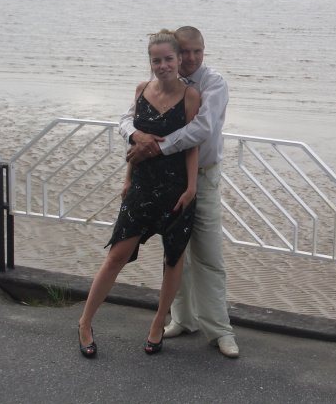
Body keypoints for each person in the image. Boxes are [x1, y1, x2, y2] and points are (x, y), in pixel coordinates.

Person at [77, 30, 200, 358]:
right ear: (150, 62)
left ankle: (158, 323)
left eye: (168, 59)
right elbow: (134, 143)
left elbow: (192, 144)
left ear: (178, 60)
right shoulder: (141, 90)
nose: (163, 65)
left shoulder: (191, 96)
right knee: (117, 255)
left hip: (176, 189)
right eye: (156, 60)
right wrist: (127, 179)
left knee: (172, 259)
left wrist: (191, 187)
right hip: (142, 186)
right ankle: (85, 322)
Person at [119, 26, 239, 358]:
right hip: (168, 178)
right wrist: (136, 137)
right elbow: (128, 117)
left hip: (204, 177)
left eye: (197, 51)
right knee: (175, 254)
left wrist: (156, 147)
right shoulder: (164, 81)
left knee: (208, 255)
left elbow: (202, 129)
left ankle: (220, 330)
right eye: (184, 51)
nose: (190, 58)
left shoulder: (213, 83)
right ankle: (183, 319)